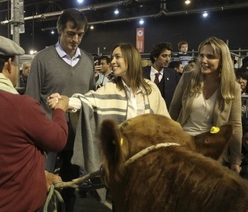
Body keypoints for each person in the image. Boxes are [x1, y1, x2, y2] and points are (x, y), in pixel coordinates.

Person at [0, 34, 70, 212]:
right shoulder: (20, 106)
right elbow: (58, 139)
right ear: (9, 64)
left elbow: (3, 161)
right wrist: (60, 109)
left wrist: (38, 176)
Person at [48, 43, 169, 176]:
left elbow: (165, 121)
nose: (112, 62)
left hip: (148, 158)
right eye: (112, 58)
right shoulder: (110, 88)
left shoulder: (151, 89)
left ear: (130, 58)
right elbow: (88, 100)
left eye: (117, 57)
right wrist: (66, 102)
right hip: (122, 159)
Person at [25, 9, 95, 211]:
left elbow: (90, 97)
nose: (76, 39)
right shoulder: (42, 59)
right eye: (71, 34)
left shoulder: (89, 60)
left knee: (71, 185)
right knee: (42, 185)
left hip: (76, 136)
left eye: (80, 34)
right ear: (60, 30)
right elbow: (31, 101)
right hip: (48, 137)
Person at [169, 37, 242, 174]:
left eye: (210, 57)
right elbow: (173, 110)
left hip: (214, 150)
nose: (203, 60)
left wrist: (235, 161)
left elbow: (235, 125)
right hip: (184, 144)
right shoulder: (187, 78)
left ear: (222, 61)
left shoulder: (233, 87)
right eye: (201, 55)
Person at [142, 42, 180, 109]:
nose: (168, 59)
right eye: (164, 56)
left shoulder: (173, 75)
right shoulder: (141, 73)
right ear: (155, 57)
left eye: (169, 56)